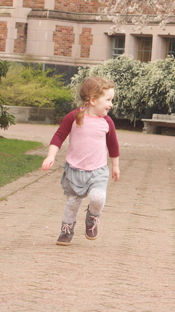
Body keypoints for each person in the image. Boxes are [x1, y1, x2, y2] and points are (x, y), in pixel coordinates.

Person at [41, 76, 120, 245]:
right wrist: (51, 156)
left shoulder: (107, 122)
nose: (111, 104)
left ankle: (92, 218)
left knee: (98, 197)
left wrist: (115, 166)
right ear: (92, 100)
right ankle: (67, 228)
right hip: (75, 170)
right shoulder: (74, 117)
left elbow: (113, 145)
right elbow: (59, 136)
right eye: (108, 100)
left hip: (98, 170)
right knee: (73, 202)